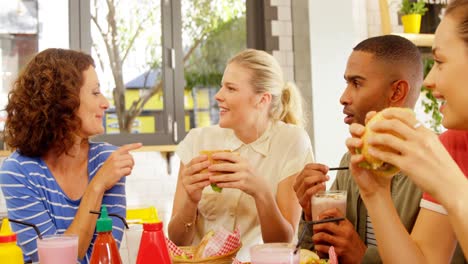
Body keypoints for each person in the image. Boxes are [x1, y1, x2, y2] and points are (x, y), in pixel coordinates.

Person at [295, 34, 445, 263]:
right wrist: (311, 216)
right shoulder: (351, 161)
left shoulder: (439, 167)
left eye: (356, 83)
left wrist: (361, 254)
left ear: (396, 92)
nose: (343, 98)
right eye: (346, 83)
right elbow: (320, 257)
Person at [345, 0, 468, 262]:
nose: (427, 80)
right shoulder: (456, 145)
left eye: (439, 61)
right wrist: (376, 193)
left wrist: (454, 190)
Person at [168, 49, 314, 261]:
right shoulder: (197, 141)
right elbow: (178, 242)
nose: (218, 95)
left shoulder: (291, 142)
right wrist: (190, 201)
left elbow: (283, 244)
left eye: (231, 88)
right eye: (222, 86)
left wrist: (260, 191)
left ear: (262, 100)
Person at [0, 48, 142, 263]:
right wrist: (96, 187)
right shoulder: (18, 172)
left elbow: (102, 257)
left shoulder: (106, 161)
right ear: (62, 101)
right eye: (95, 92)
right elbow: (52, 261)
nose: (106, 103)